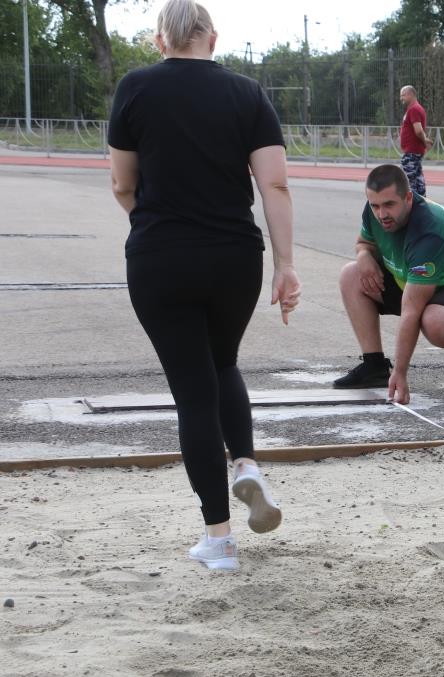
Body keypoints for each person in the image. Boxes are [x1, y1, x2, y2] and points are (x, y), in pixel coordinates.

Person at [107, 0, 301, 571]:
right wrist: (286, 264)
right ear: (212, 38)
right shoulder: (247, 94)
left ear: (160, 40)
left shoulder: (136, 88)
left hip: (161, 254)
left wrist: (153, 222)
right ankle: (245, 464)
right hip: (234, 255)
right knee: (222, 363)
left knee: (193, 392)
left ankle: (218, 538)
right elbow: (276, 185)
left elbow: (122, 181)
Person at [333, 163, 444, 402]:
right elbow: (364, 242)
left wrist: (400, 373)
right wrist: (364, 255)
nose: (381, 214)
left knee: (434, 322)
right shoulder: (374, 211)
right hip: (411, 280)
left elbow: (411, 309)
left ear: (408, 197)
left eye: (389, 205)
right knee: (352, 274)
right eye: (375, 205)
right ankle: (375, 365)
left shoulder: (429, 230)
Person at [399, 85, 432, 196]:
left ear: (410, 94)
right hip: (414, 151)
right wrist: (425, 141)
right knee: (418, 181)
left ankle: (412, 207)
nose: (401, 98)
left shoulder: (414, 109)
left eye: (403, 95)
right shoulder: (415, 108)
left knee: (407, 182)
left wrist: (425, 142)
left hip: (411, 152)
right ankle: (423, 203)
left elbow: (418, 130)